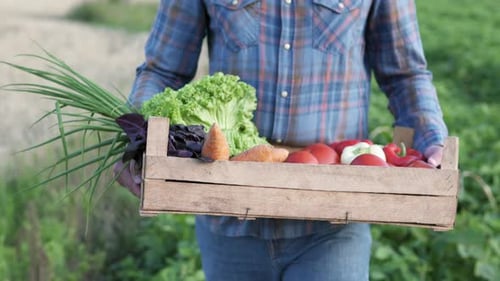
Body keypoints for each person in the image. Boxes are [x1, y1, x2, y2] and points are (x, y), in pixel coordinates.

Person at [115, 1, 447, 280]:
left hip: (333, 223)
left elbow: (404, 75)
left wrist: (431, 138)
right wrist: (136, 142)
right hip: (229, 215)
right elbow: (163, 71)